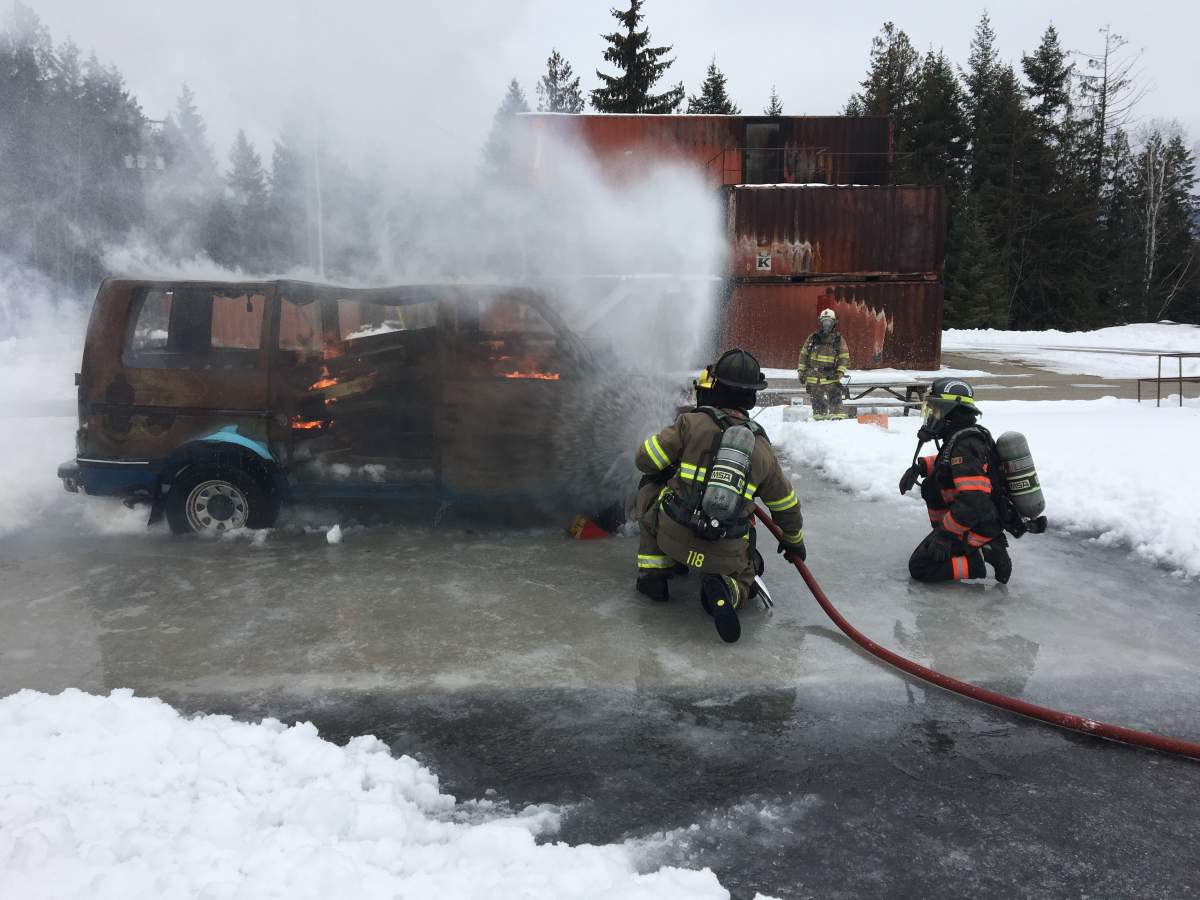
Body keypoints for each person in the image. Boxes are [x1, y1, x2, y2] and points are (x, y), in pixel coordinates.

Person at [633, 348, 806, 643]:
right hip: (723, 553)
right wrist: (793, 540)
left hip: (673, 536)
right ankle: (728, 589)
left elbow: (644, 460)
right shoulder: (762, 449)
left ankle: (654, 577)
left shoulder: (690, 423)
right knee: (748, 572)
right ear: (752, 397)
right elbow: (785, 504)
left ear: (716, 386)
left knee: (651, 492)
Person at [898, 378, 1013, 584]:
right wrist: (921, 467)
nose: (931, 416)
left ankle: (977, 560)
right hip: (972, 521)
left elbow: (973, 502)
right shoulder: (961, 437)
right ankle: (962, 541)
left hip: (977, 524)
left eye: (935, 410)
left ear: (950, 411)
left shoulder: (964, 445)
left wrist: (945, 535)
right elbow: (949, 465)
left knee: (921, 567)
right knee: (932, 484)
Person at [797, 308, 850, 420]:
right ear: (820, 322)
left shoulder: (838, 339)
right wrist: (801, 371)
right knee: (818, 407)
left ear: (834, 323)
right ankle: (819, 421)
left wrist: (839, 372)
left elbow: (844, 357)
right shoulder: (813, 338)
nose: (826, 324)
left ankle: (838, 422)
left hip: (831, 377)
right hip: (813, 378)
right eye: (824, 321)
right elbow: (803, 355)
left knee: (836, 404)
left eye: (829, 321)